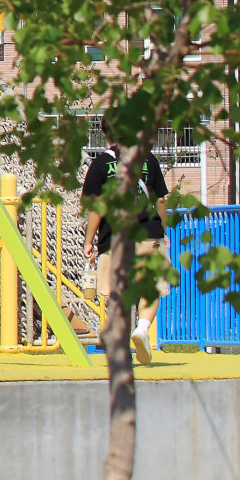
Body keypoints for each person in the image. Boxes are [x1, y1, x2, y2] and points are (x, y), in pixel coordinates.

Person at [83, 144, 170, 363]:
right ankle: (141, 329)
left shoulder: (100, 164)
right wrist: (164, 230)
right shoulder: (148, 159)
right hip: (148, 234)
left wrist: (89, 240)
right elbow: (160, 199)